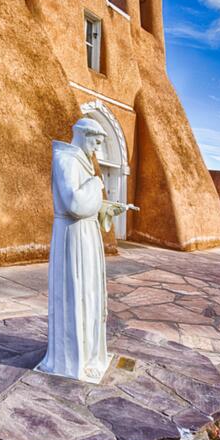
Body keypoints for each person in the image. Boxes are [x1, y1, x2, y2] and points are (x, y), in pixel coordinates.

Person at [37, 117, 129, 383]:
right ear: (83, 135)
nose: (97, 149)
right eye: (96, 141)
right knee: (75, 292)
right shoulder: (65, 159)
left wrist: (105, 207)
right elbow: (75, 204)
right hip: (72, 237)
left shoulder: (82, 162)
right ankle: (73, 359)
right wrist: (96, 185)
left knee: (87, 292)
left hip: (85, 236)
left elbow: (86, 207)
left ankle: (88, 354)